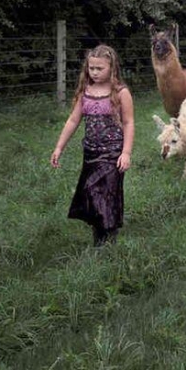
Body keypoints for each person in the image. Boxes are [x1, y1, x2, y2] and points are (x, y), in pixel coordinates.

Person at [50, 44, 134, 246]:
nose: (94, 72)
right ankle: (99, 236)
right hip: (90, 153)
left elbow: (128, 122)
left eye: (100, 68)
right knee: (90, 192)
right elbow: (72, 121)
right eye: (91, 68)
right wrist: (59, 148)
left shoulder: (121, 93)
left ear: (112, 68)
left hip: (112, 153)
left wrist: (126, 153)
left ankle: (109, 239)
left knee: (106, 193)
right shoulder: (85, 92)